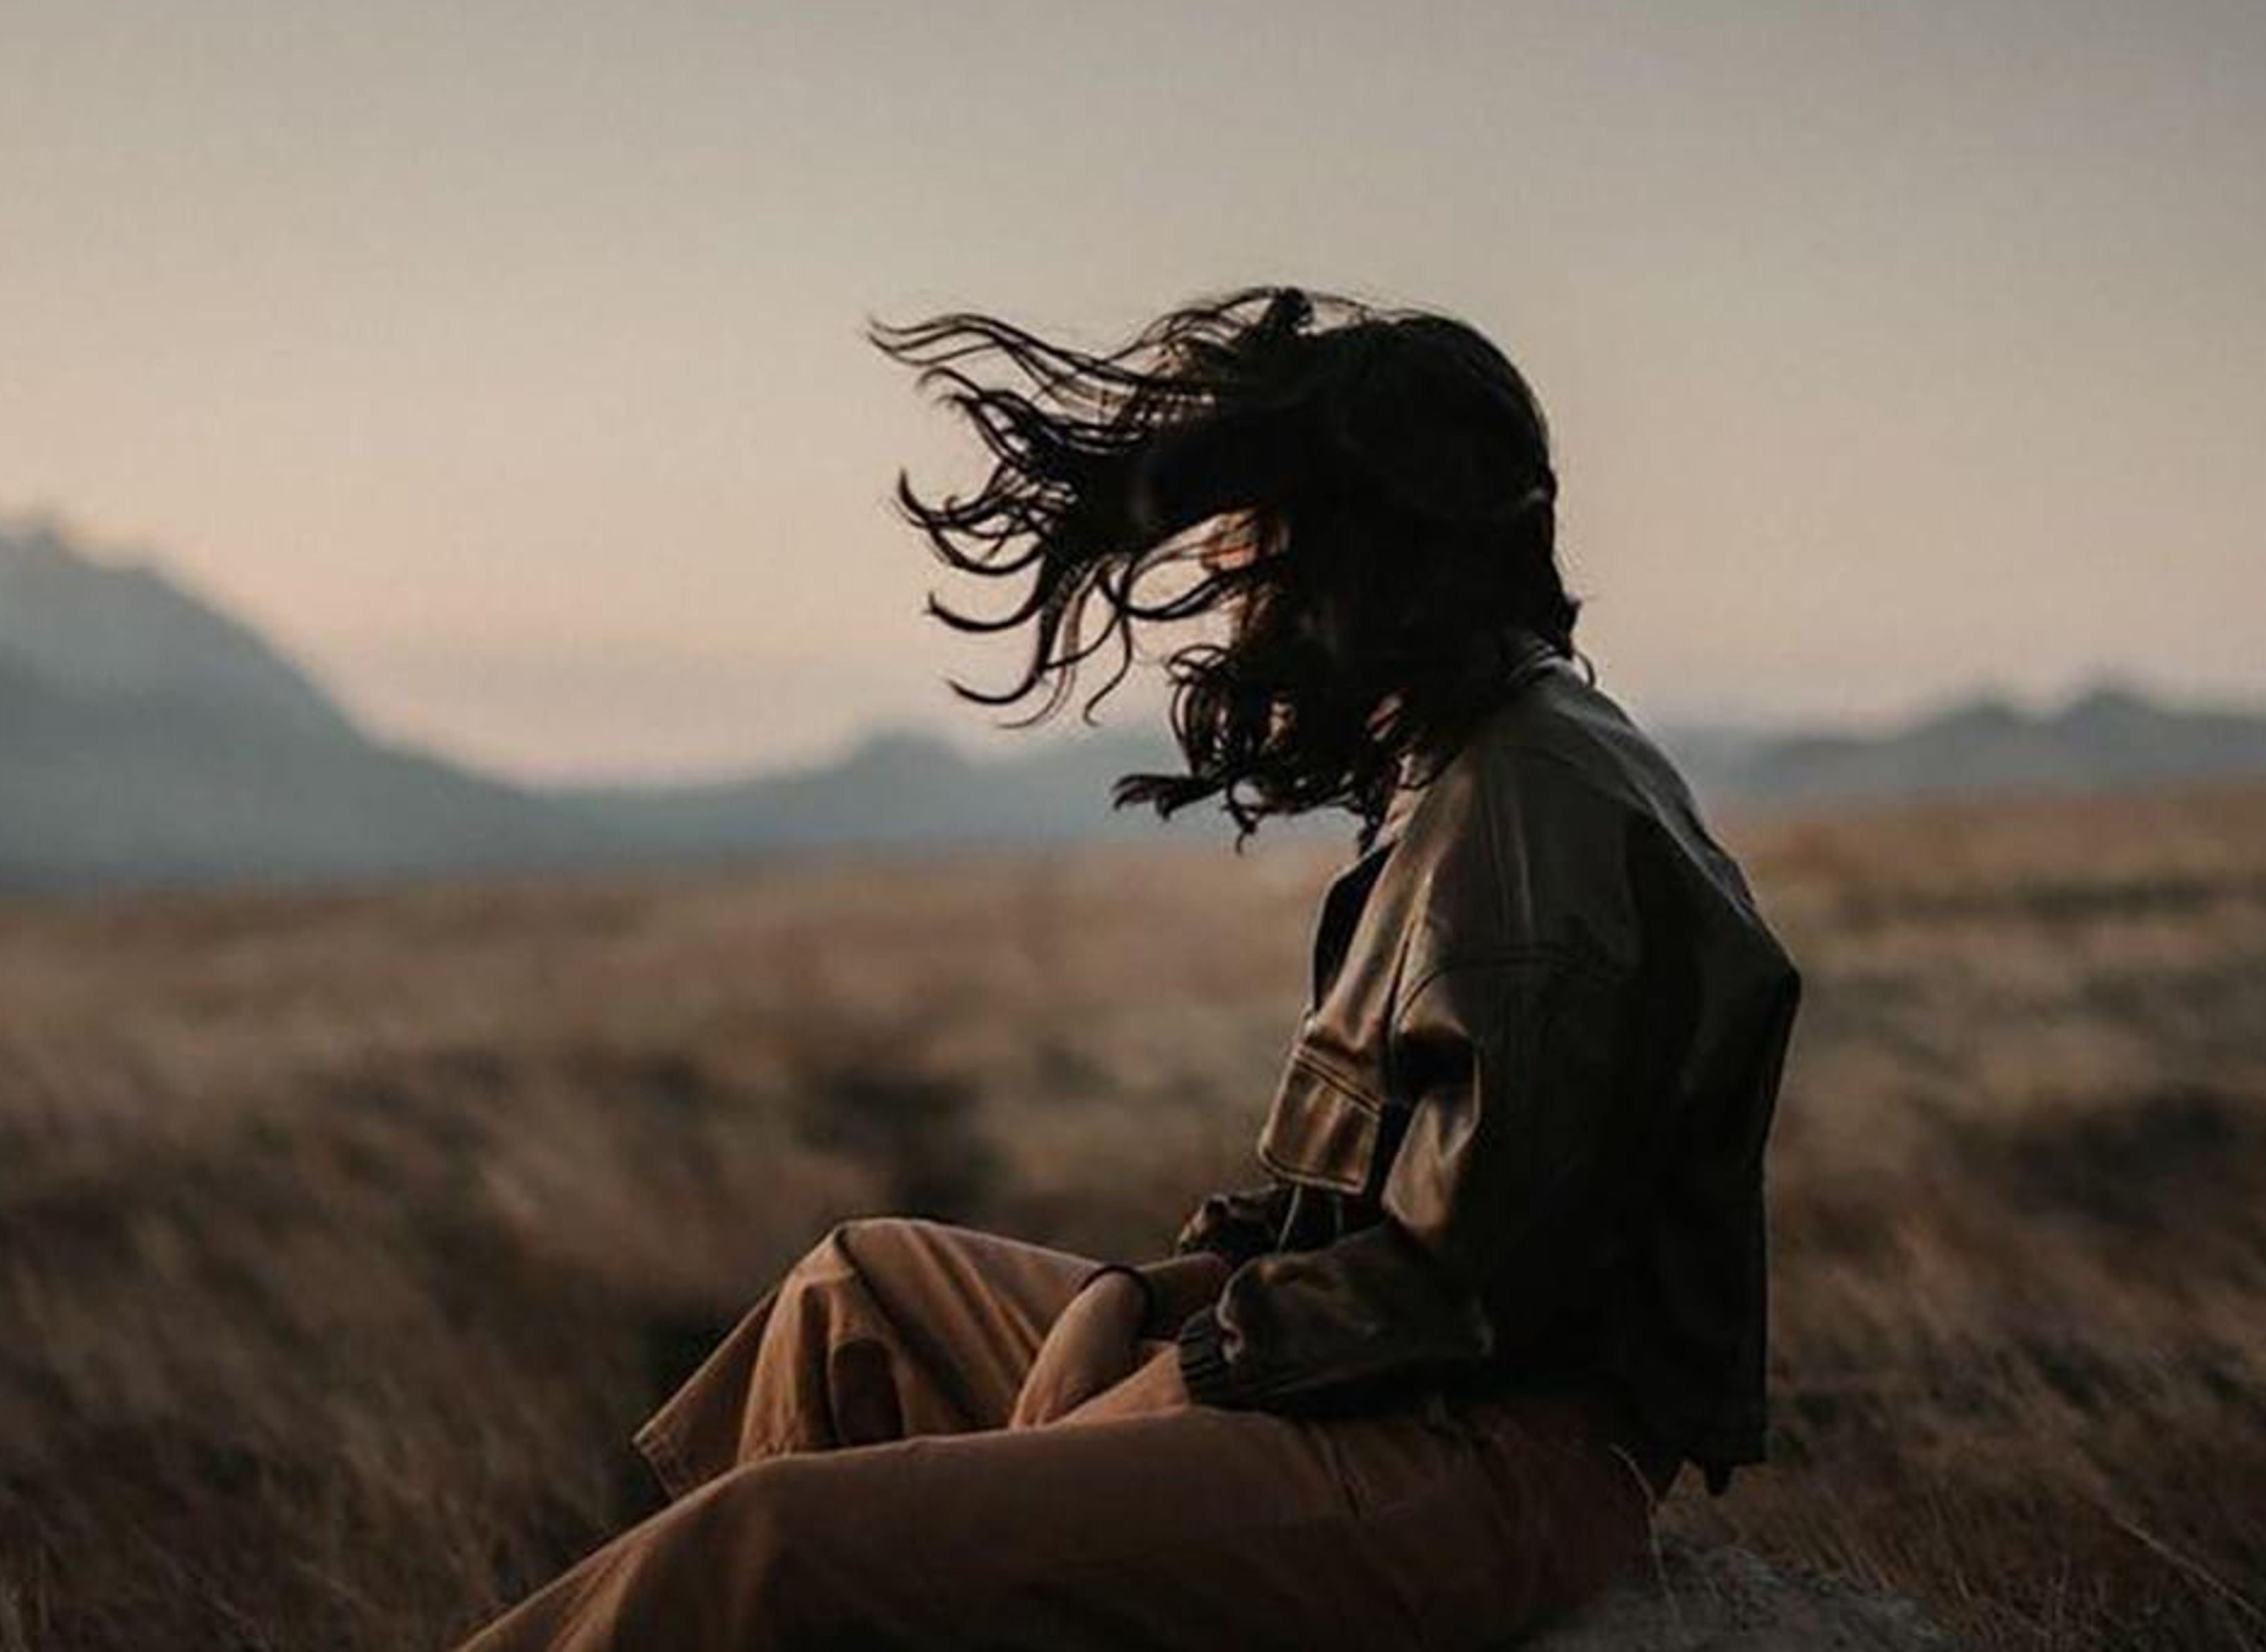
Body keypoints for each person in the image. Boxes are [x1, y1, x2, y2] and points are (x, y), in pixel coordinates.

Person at [452, 286, 1804, 1651]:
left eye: (1271, 548)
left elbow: (1477, 1288)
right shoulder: (1480, 762)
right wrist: (1150, 1297)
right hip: (1401, 1393)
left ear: (1375, 555)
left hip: (1487, 1466)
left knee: (770, 1541)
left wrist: (1203, 1363)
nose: (1243, 594)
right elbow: (1380, 1219)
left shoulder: (1531, 816)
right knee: (857, 1293)